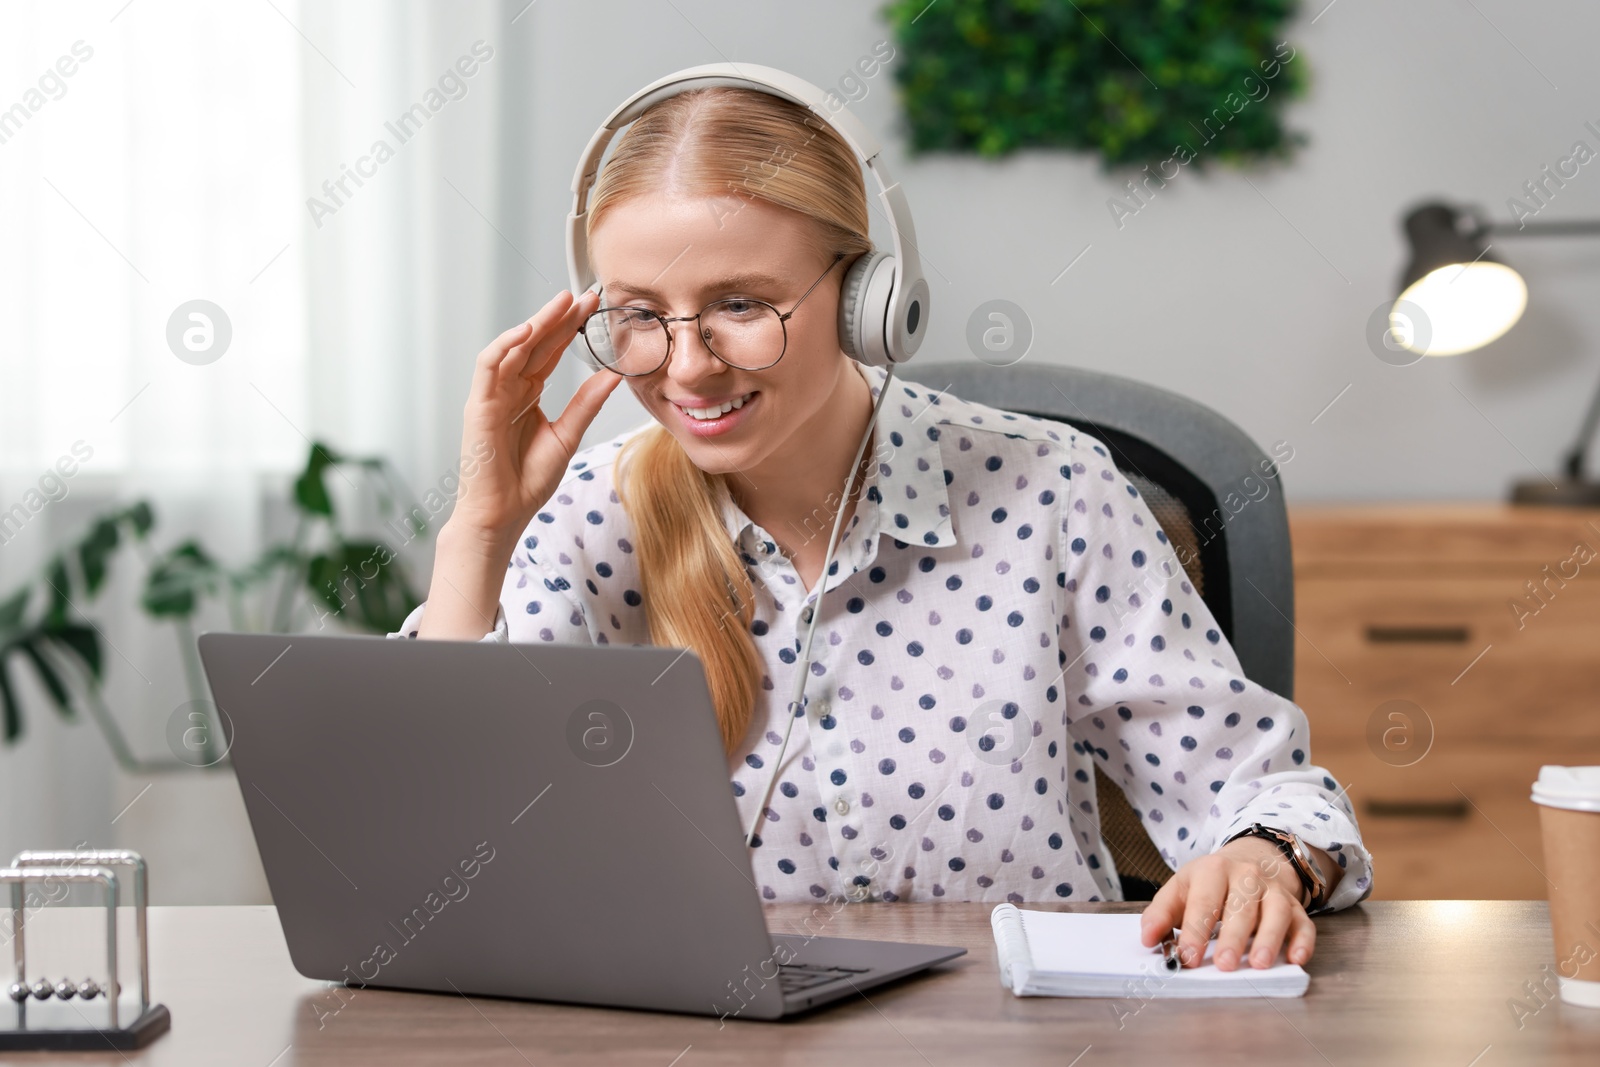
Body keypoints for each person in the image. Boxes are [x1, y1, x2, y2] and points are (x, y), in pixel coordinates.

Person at [391, 84, 1372, 973]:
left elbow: (1264, 793)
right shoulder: (584, 525)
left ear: (871, 302)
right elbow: (447, 872)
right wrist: (477, 531)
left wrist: (1261, 855)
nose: (684, 368)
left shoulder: (1055, 492)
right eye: (640, 315)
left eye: (739, 304)